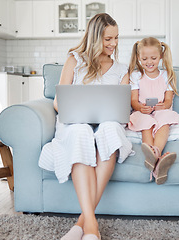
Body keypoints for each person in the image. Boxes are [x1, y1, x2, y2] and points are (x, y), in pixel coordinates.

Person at [38, 13, 133, 240]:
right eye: (108, 39)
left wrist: (113, 117)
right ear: (94, 37)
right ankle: (91, 226)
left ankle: (82, 223)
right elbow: (58, 102)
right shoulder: (75, 60)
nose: (114, 44)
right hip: (75, 123)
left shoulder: (121, 69)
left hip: (107, 123)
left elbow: (123, 110)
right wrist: (77, 113)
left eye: (116, 38)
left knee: (110, 129)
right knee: (81, 131)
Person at [127, 37, 179, 185]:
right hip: (144, 112)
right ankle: (156, 160)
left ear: (160, 56)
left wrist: (164, 105)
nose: (149, 62)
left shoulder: (167, 74)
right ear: (138, 58)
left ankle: (155, 152)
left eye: (154, 58)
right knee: (146, 122)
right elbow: (134, 101)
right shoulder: (136, 76)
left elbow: (168, 100)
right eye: (144, 59)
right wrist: (140, 107)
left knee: (164, 120)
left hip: (160, 110)